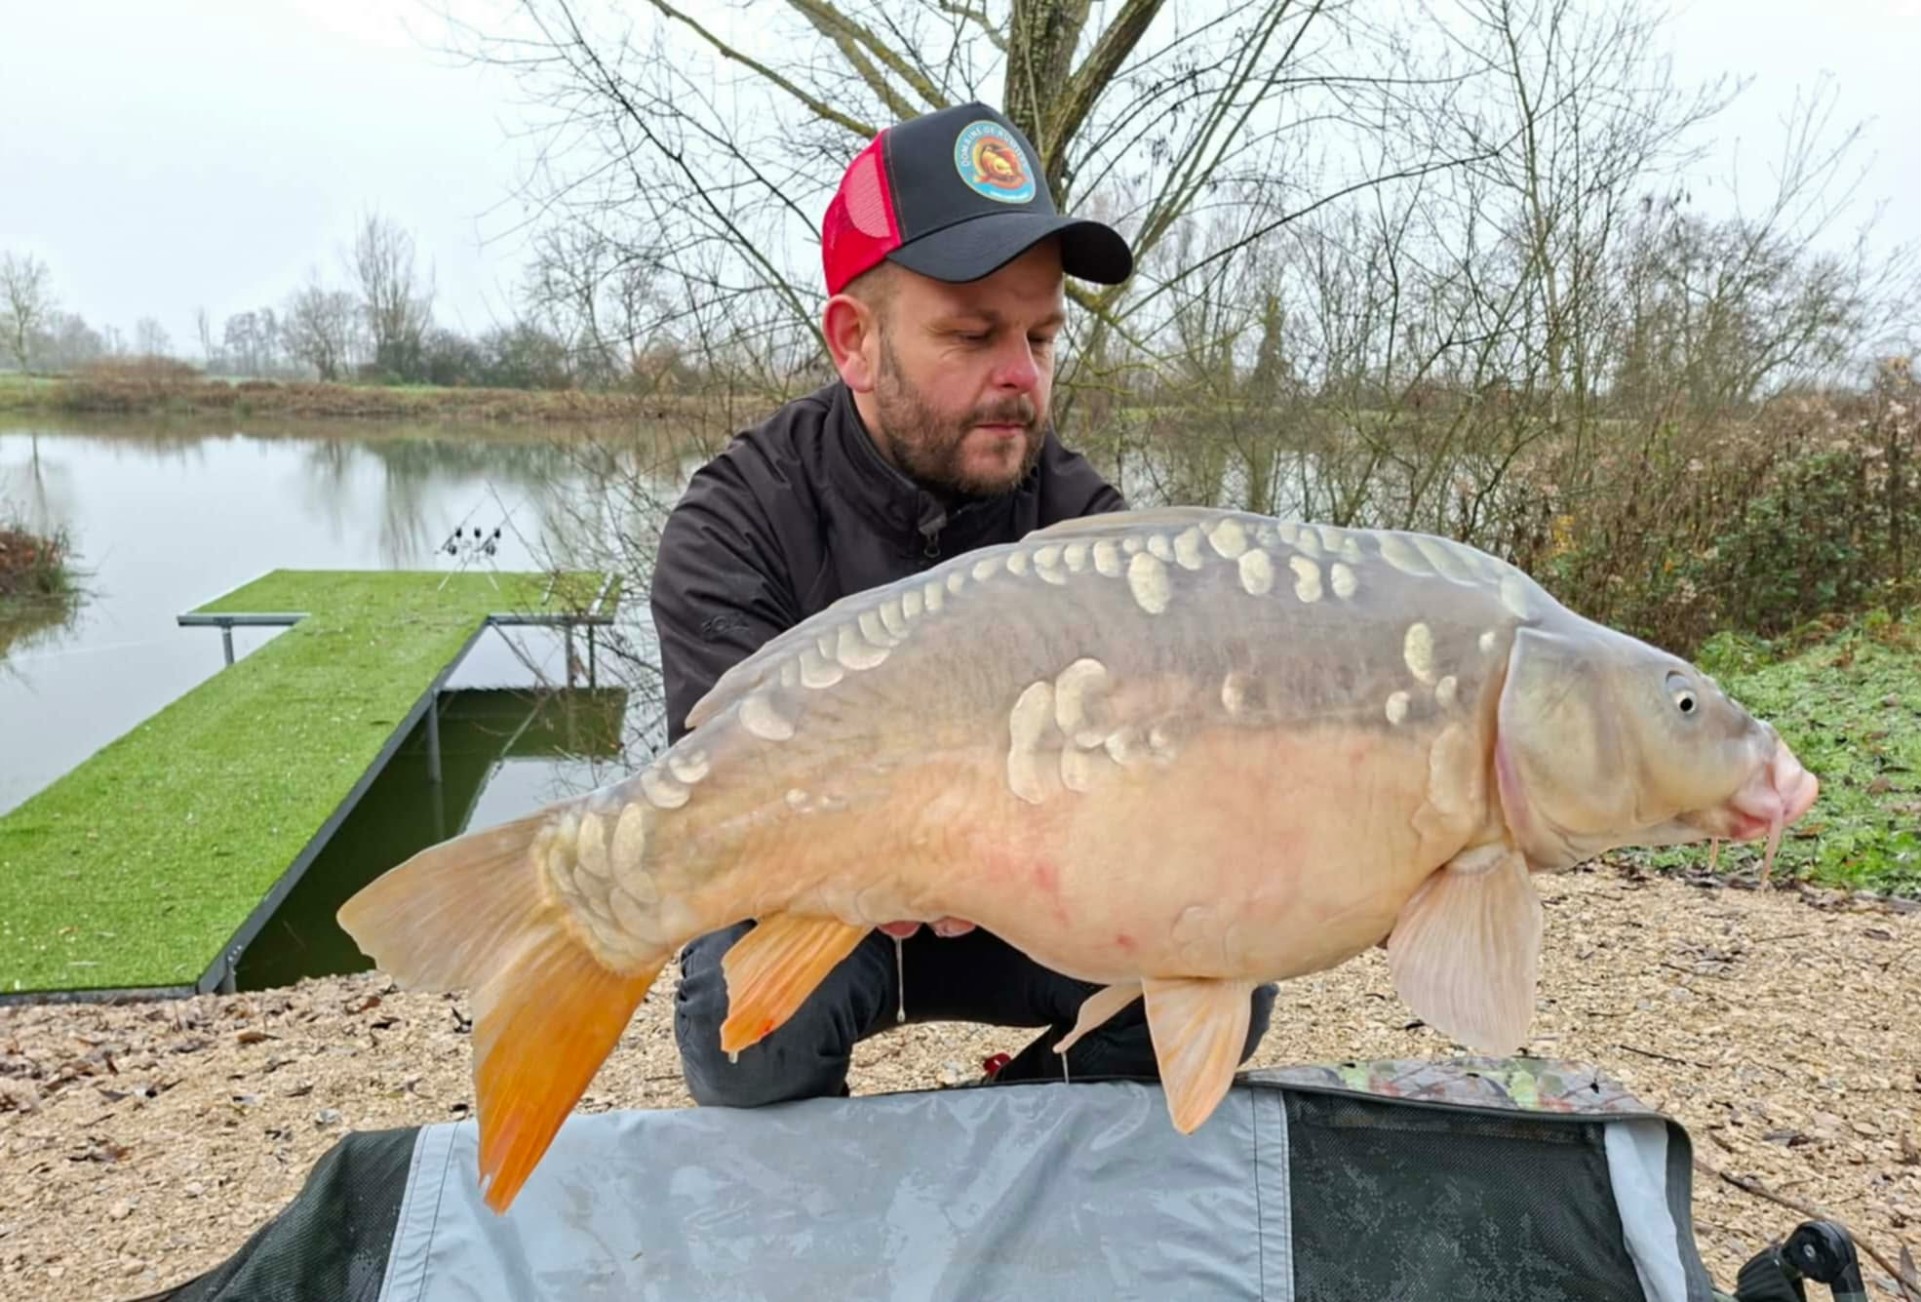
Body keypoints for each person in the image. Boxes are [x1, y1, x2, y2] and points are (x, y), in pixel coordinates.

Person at [648, 101, 1276, 1107]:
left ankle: (1017, 1130)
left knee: (1223, 976)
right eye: (973, 335)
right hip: (826, 911)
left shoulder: (1084, 524)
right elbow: (733, 803)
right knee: (742, 1030)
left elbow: (1156, 771)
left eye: (1041, 335)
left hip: (1035, 903)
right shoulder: (736, 521)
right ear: (855, 341)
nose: (1019, 379)